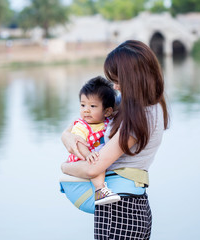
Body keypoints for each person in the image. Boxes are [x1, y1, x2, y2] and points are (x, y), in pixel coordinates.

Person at [61, 40, 169, 239]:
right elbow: (83, 120)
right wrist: (67, 135)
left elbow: (93, 168)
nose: (115, 86)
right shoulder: (136, 106)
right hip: (130, 204)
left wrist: (64, 169)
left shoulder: (141, 116)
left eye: (118, 80)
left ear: (134, 78)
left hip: (119, 208)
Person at [67, 76, 121, 205]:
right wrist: (88, 155)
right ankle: (100, 190)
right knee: (97, 163)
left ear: (107, 111)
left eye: (92, 106)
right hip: (84, 156)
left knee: (99, 160)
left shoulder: (107, 121)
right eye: (83, 105)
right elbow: (78, 142)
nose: (86, 110)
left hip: (96, 154)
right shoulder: (82, 125)